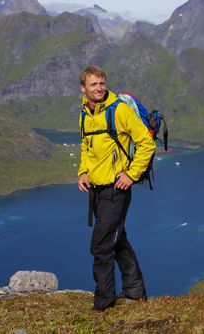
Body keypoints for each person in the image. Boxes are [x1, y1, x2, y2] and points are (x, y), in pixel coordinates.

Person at [77, 65, 156, 311]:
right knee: (116, 239)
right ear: (83, 88)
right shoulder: (84, 113)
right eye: (93, 84)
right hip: (97, 190)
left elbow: (146, 144)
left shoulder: (119, 110)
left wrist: (131, 175)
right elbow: (86, 147)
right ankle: (135, 292)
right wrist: (82, 171)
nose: (99, 88)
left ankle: (104, 301)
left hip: (117, 190)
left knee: (100, 246)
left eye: (102, 83)